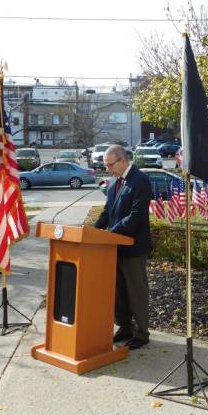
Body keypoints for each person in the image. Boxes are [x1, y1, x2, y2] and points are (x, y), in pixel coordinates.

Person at [95, 145, 153, 350]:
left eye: (110, 165)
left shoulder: (140, 181)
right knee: (118, 291)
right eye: (106, 165)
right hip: (114, 248)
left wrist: (112, 233)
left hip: (133, 248)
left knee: (136, 291)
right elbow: (107, 213)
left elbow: (137, 215)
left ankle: (142, 332)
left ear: (122, 160)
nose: (108, 169)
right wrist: (92, 232)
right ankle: (125, 326)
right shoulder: (113, 183)